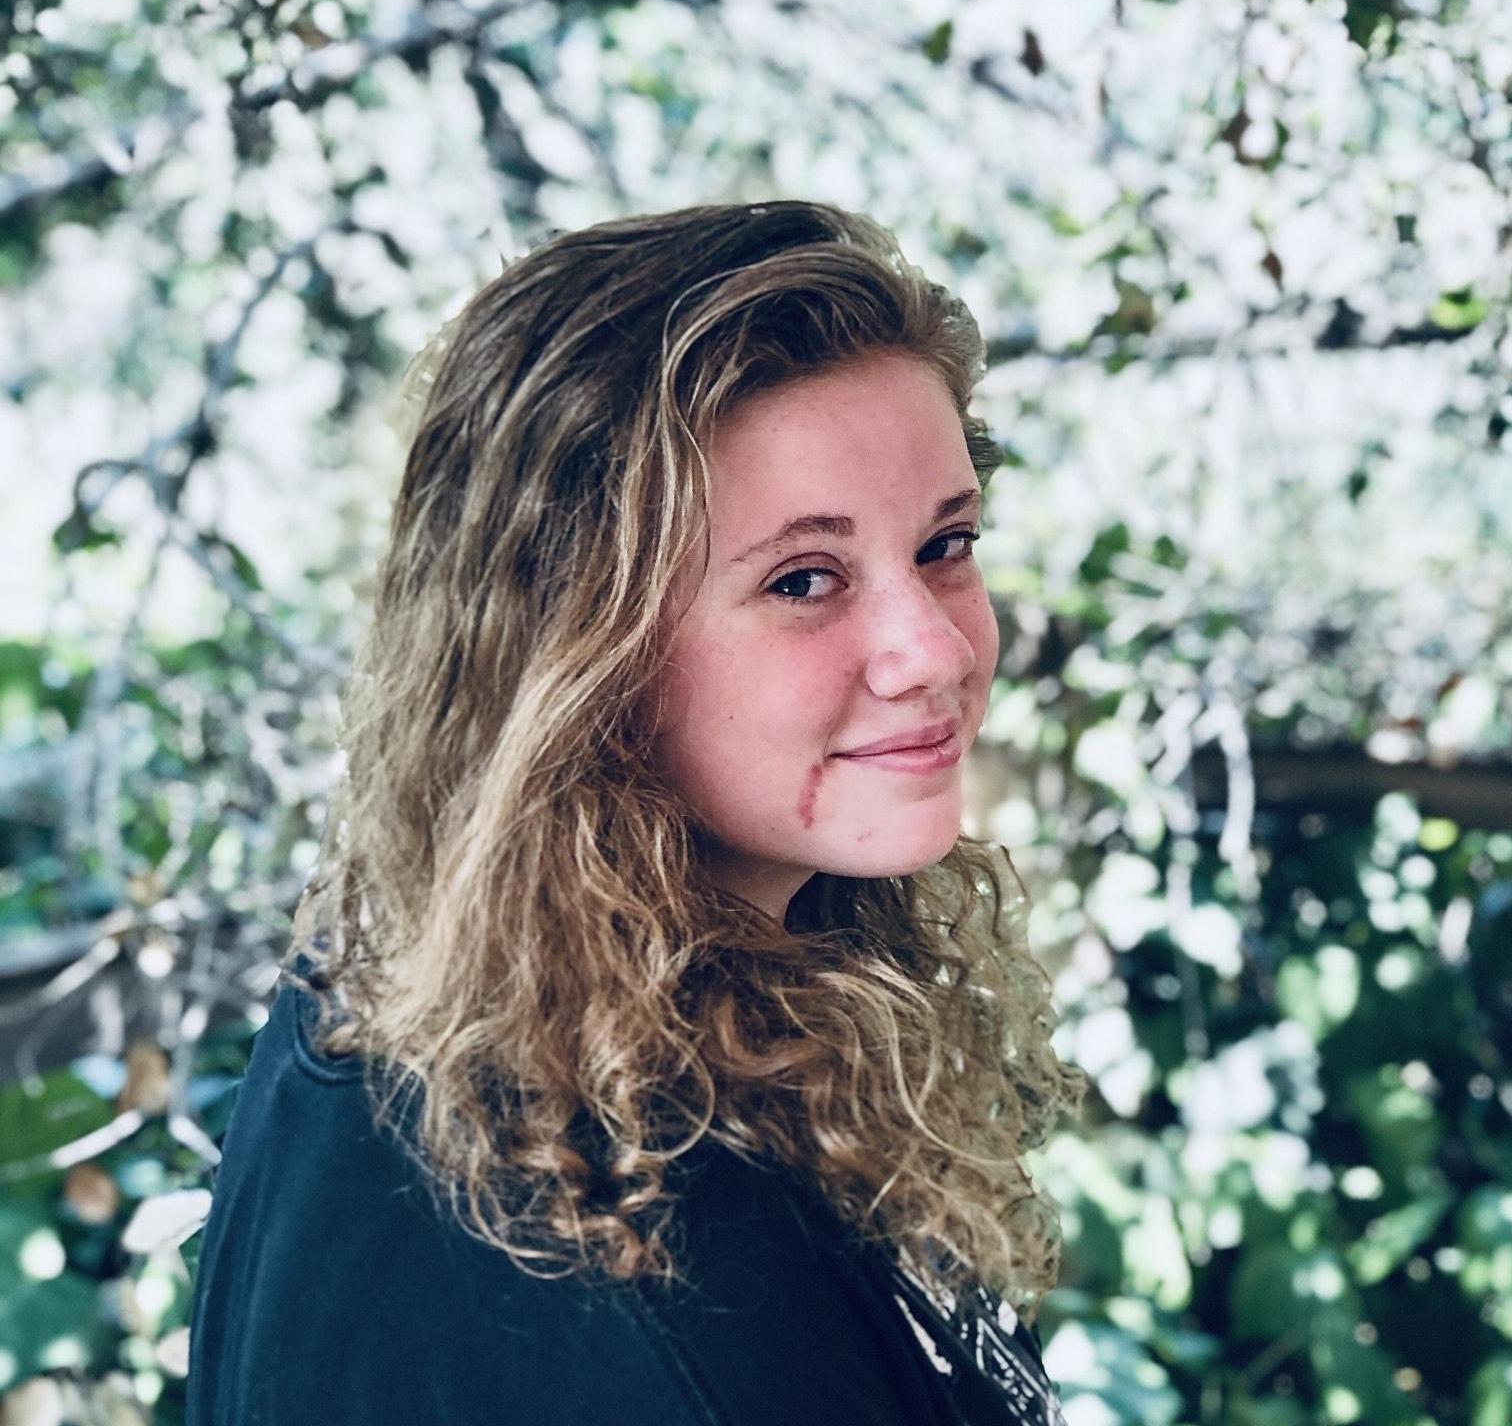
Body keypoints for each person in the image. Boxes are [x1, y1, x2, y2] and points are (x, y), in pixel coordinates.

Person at [184, 200, 1086, 1425]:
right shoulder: (620, 1260)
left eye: (946, 543)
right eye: (804, 579)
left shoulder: (449, 978)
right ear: (575, 651)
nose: (937, 650)